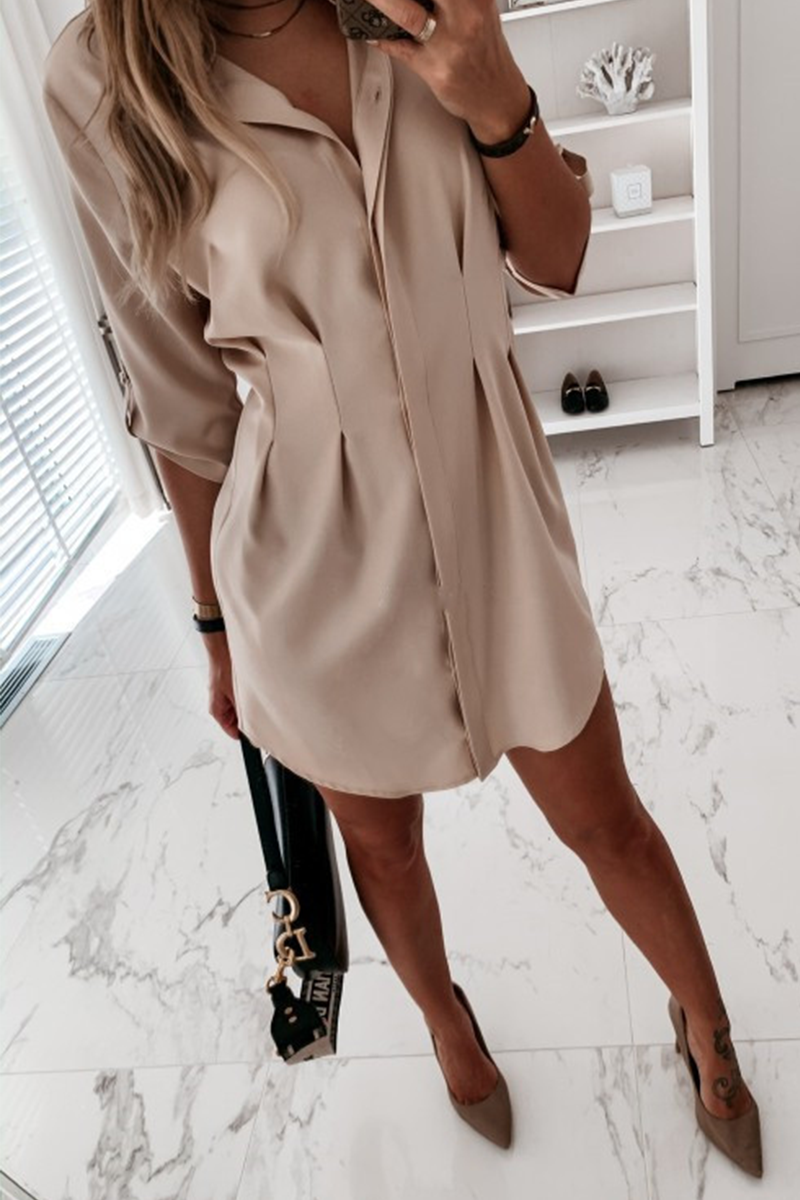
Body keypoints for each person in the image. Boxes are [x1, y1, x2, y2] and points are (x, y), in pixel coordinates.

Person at [42, 0, 762, 1172]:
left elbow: (558, 257)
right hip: (304, 554)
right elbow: (181, 404)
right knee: (381, 849)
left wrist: (494, 97)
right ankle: (445, 1025)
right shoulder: (99, 73)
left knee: (603, 818)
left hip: (493, 505)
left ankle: (706, 1021)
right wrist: (214, 626)